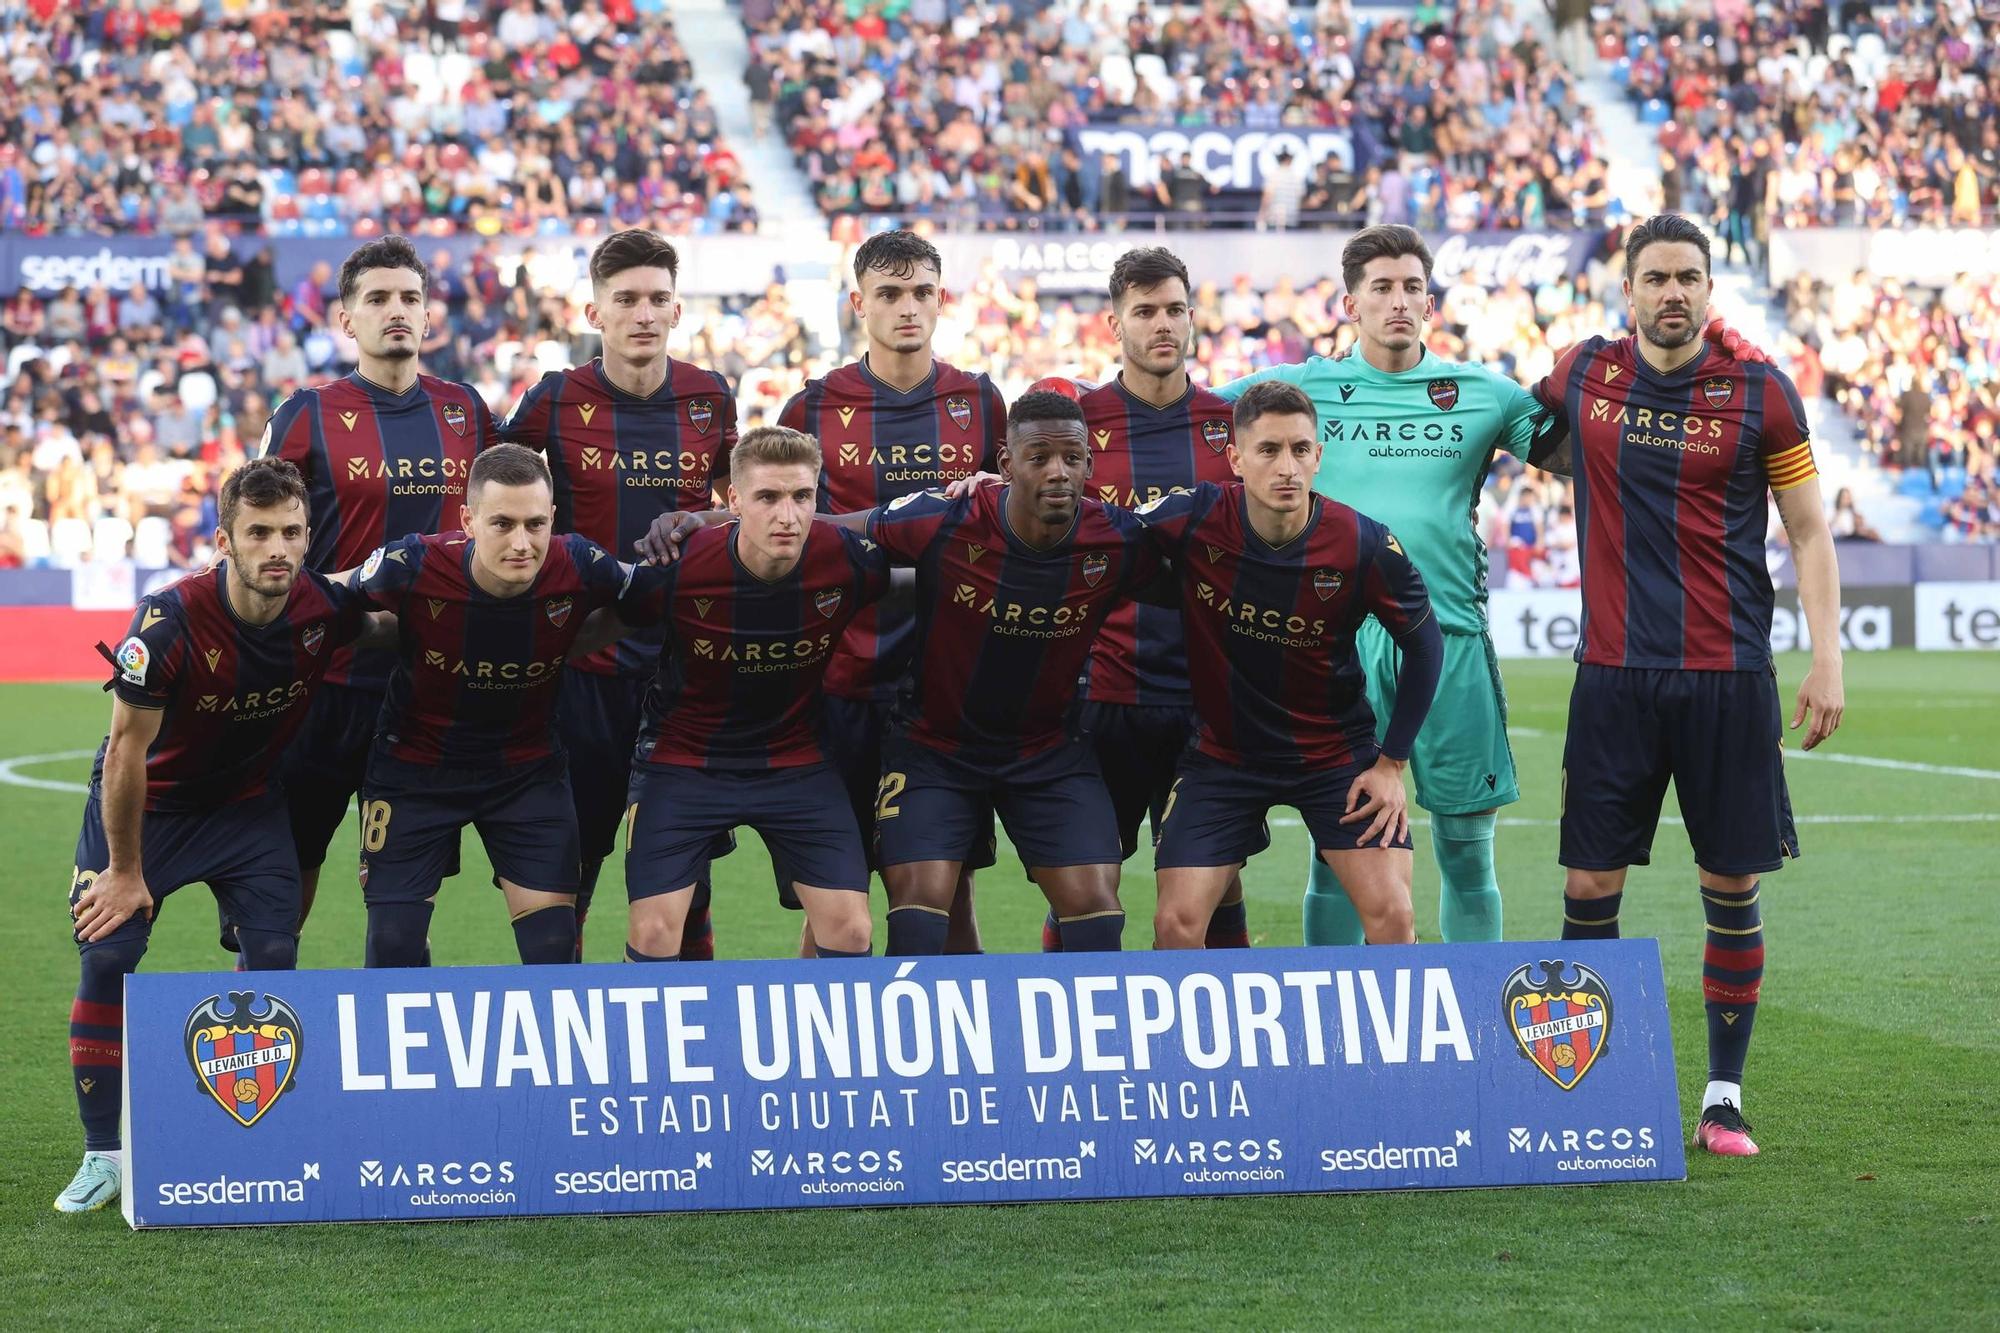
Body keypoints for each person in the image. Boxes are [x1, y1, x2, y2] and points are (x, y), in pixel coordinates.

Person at [1528, 213, 1846, 1158]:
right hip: (1614, 676)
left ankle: (1721, 1100)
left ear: (1711, 289)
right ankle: (1587, 1096)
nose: (1674, 292)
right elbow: (1520, 436)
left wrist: (1827, 655)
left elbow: (1810, 532)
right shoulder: (1583, 374)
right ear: (1626, 291)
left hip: (1728, 675)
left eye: (1689, 277)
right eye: (1657, 277)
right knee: (1590, 883)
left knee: (1730, 882)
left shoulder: (1761, 394)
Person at [56, 459, 379, 1213]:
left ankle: (249, 1134)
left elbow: (399, 625)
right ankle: (103, 1152)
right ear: (224, 540)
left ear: (309, 538)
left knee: (273, 954)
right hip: (149, 810)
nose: (277, 547)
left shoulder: (324, 610)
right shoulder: (166, 622)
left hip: (245, 807)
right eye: (259, 532)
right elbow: (126, 752)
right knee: (109, 955)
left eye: (291, 532)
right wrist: (127, 871)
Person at [255, 234, 496, 964]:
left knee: (399, 909)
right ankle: (265, 1037)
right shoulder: (306, 413)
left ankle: (388, 1065)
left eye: (410, 298)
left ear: (429, 318)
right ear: (346, 320)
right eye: (378, 299)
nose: (397, 311)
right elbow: (252, 536)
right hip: (322, 687)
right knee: (280, 896)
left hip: (427, 694)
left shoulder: (467, 412)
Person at [1135, 381, 1443, 948]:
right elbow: (1094, 527)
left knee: (1394, 920)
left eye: (1301, 450)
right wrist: (994, 490)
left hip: (1334, 757)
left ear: (1318, 456)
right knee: (1174, 926)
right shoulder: (1196, 516)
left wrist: (1391, 764)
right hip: (1223, 756)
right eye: (1269, 450)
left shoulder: (1362, 543)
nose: (1287, 467)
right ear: (1236, 459)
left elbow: (1425, 645)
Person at [501, 228, 737, 961]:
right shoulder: (556, 396)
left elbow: (748, 506)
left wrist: (705, 517)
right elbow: (490, 497)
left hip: (685, 666)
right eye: (625, 299)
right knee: (577, 866)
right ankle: (566, 1034)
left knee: (686, 877)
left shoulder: (708, 396)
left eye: (657, 299)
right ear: (594, 311)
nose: (643, 313)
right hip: (582, 668)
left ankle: (685, 1035)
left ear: (677, 309)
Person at [858, 391, 1162, 953]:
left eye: (1072, 459)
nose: (1058, 472)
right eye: (1038, 457)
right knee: (920, 918)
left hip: (1046, 751)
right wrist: (709, 521)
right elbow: (818, 529)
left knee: (1097, 914)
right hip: (934, 748)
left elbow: (1207, 573)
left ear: (1090, 465)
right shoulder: (945, 518)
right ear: (1004, 465)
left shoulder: (1117, 539)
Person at [777, 230, 1006, 955]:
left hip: (947, 687)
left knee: (949, 891)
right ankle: (819, 1058)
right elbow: (784, 533)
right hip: (840, 679)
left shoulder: (979, 399)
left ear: (941, 300)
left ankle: (967, 1061)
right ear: (858, 303)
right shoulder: (813, 407)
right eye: (890, 293)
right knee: (836, 904)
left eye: (922, 293)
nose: (908, 307)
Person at [1033, 246, 1254, 951]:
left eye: (1175, 310)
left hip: (1210, 698)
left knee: (1211, 895)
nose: (1163, 324)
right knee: (1084, 893)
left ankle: (1225, 1047)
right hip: (1102, 694)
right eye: (1145, 311)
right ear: (1114, 322)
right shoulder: (1074, 424)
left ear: (1194, 319)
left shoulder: (1235, 424)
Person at [347, 444, 636, 969]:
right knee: (392, 949)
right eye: (502, 524)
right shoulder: (412, 563)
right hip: (413, 771)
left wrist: (570, 640)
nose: (522, 543)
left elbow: (645, 600)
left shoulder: (580, 563)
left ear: (553, 519)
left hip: (526, 772)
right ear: (469, 521)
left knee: (553, 949)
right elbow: (326, 597)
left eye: (534, 524)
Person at [612, 427, 890, 960]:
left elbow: (939, 565)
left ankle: (813, 1038)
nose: (787, 516)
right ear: (733, 500)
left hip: (797, 760)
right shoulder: (679, 566)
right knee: (652, 934)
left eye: (801, 497)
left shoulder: (849, 560)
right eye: (767, 497)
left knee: (851, 930)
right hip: (683, 762)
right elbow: (593, 620)